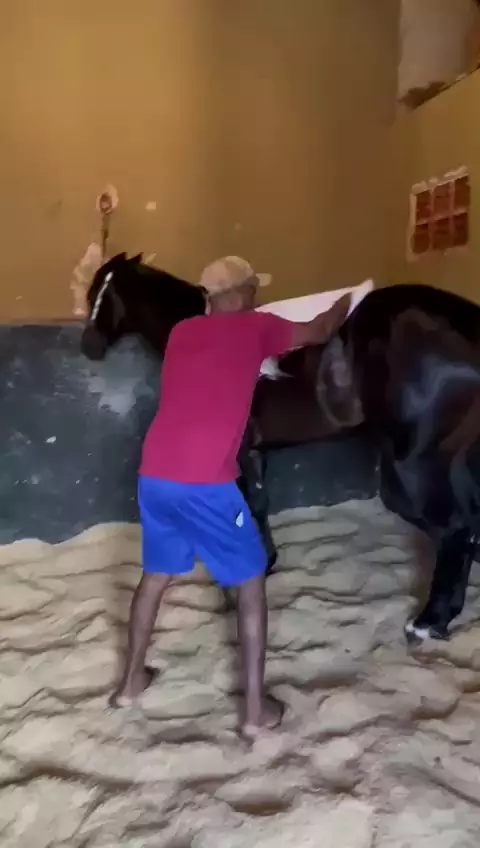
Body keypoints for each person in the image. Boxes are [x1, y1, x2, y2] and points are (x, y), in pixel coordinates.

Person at [109, 256, 351, 740]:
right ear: (241, 295)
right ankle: (256, 713)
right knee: (251, 583)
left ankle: (130, 683)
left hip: (154, 473)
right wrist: (352, 297)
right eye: (254, 290)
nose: (258, 298)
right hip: (206, 484)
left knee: (155, 576)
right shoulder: (257, 327)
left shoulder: (181, 332)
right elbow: (322, 329)